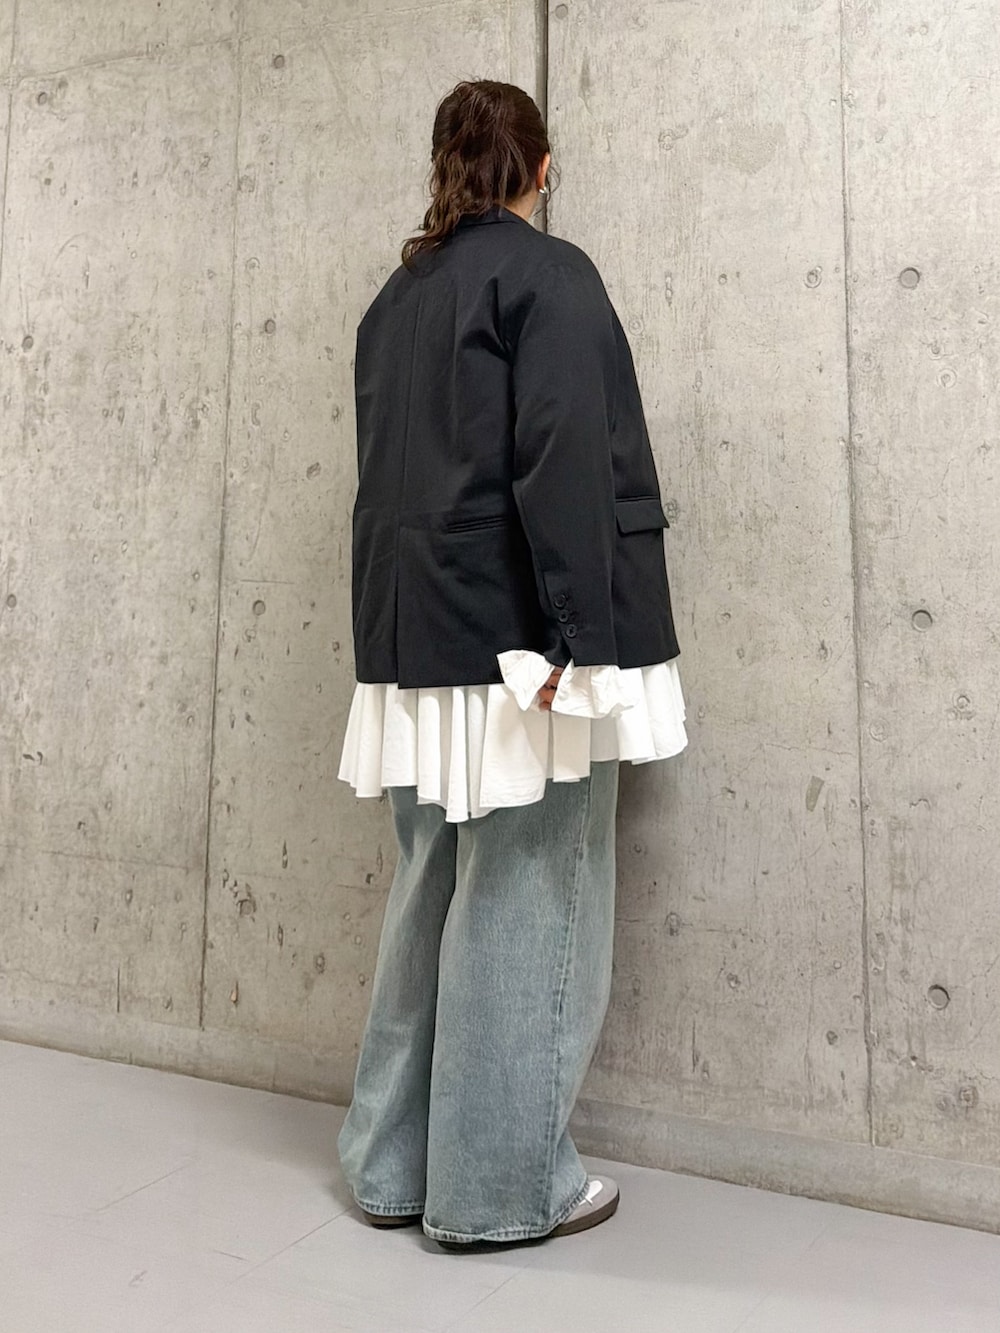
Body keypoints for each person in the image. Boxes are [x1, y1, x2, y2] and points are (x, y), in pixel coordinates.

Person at [336, 79, 687, 1250]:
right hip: (519, 645)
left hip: (413, 640)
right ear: (541, 167)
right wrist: (578, 644)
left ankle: (390, 1166)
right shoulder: (548, 276)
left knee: (429, 891)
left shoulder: (395, 299)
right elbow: (564, 462)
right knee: (531, 898)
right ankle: (498, 1192)